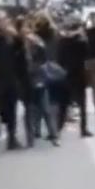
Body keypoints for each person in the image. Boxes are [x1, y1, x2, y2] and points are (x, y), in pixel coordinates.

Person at [0, 12, 24, 151]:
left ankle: (12, 139)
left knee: (11, 111)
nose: (6, 22)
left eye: (6, 20)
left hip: (10, 79)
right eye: (3, 20)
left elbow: (20, 46)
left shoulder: (9, 38)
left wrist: (13, 34)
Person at [19, 19, 60, 147]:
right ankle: (30, 139)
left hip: (39, 80)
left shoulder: (38, 47)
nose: (28, 38)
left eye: (29, 34)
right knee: (30, 111)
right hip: (27, 84)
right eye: (24, 35)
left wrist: (36, 44)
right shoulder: (19, 50)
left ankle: (54, 136)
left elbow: (44, 60)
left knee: (46, 110)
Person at [58, 18, 93, 137]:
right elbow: (87, 54)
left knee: (63, 104)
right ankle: (83, 129)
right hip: (79, 73)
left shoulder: (62, 41)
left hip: (66, 73)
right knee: (82, 104)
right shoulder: (81, 42)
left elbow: (60, 58)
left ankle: (57, 129)